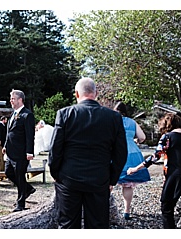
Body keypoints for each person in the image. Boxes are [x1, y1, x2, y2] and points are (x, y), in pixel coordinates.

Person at [48, 78, 127, 228]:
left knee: (68, 225)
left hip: (69, 178)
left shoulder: (65, 114)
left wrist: (56, 173)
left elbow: (55, 149)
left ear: (76, 94)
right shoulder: (113, 117)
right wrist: (112, 179)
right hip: (99, 178)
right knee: (97, 225)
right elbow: (120, 152)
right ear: (96, 93)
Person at [126, 113, 180, 228]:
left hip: (175, 176)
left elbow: (155, 157)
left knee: (167, 208)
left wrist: (136, 168)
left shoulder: (168, 137)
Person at [113, 102, 149, 220]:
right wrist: (135, 140)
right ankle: (126, 211)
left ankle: (106, 209)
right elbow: (142, 137)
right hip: (131, 152)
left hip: (115, 152)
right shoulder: (132, 122)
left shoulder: (111, 120)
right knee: (127, 184)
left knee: (108, 182)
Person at [4, 89, 36, 212]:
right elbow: (9, 133)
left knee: (20, 176)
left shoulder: (27, 115)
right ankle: (27, 189)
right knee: (8, 172)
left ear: (20, 100)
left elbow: (30, 135)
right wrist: (6, 146)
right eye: (10, 98)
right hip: (11, 152)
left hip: (21, 153)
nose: (11, 101)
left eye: (13, 98)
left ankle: (20, 204)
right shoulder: (13, 114)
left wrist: (30, 152)